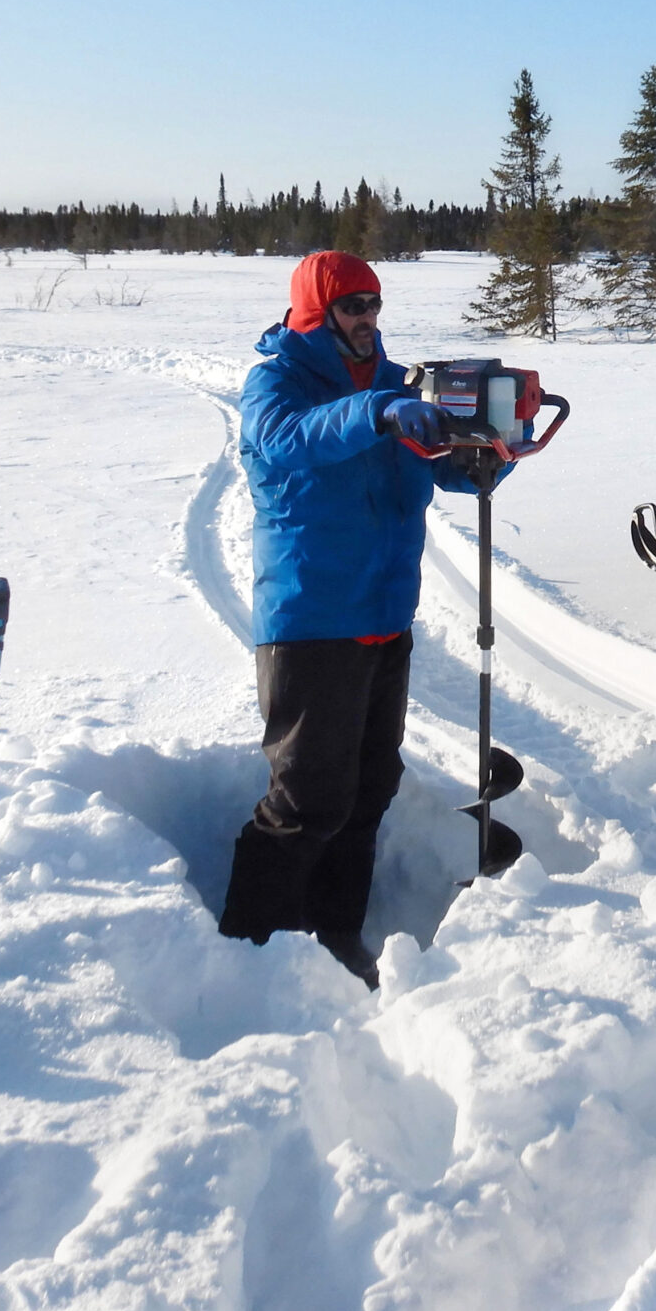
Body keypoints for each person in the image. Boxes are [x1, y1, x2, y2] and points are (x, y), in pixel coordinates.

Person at [215, 250, 493, 989]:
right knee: (308, 799)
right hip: (312, 619)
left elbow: (433, 460)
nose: (368, 319)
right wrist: (377, 412)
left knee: (370, 788)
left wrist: (481, 456)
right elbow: (289, 440)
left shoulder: (400, 384)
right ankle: (248, 953)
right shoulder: (277, 381)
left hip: (383, 617)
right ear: (317, 310)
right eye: (352, 306)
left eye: (374, 305)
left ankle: (336, 932)